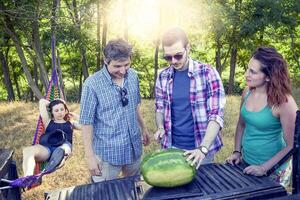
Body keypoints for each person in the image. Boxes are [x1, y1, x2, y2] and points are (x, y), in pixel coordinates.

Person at [79, 38, 150, 182]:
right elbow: (86, 122)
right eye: (117, 66)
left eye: (127, 65)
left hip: (133, 148)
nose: (123, 71)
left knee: (133, 187)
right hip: (107, 155)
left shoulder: (134, 76)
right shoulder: (91, 84)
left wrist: (144, 128)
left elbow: (135, 105)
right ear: (106, 61)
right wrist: (90, 156)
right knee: (103, 193)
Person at [154, 27, 226, 169]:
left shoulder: (208, 73)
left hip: (200, 149)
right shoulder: (163, 76)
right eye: (168, 57)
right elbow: (160, 108)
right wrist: (160, 127)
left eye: (178, 55)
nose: (173, 61)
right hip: (171, 148)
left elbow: (216, 115)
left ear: (188, 48)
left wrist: (203, 149)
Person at [226, 47, 298, 187]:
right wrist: (236, 152)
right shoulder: (247, 92)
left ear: (269, 76)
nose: (246, 74)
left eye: (252, 71)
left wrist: (264, 168)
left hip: (274, 171)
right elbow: (241, 125)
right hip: (247, 164)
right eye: (247, 69)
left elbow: (292, 146)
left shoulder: (284, 102)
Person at [22, 98, 81, 176]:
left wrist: (75, 115)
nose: (60, 112)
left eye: (62, 109)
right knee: (28, 150)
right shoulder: (48, 121)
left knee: (62, 150)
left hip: (64, 145)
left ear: (66, 110)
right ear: (52, 112)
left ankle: (56, 161)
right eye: (56, 110)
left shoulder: (71, 123)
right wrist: (55, 103)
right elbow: (42, 102)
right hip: (48, 148)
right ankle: (27, 177)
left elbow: (84, 126)